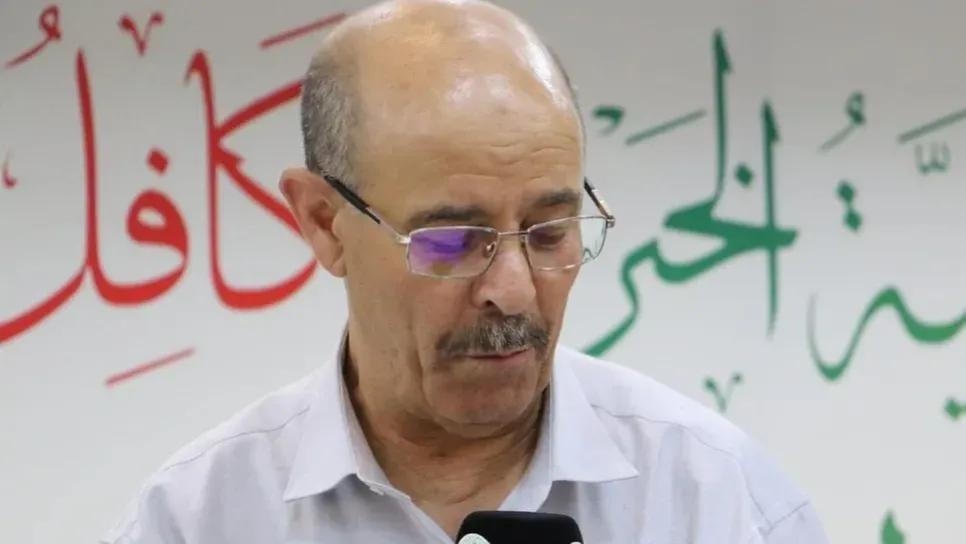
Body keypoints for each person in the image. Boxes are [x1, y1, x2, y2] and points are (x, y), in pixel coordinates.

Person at [102, 1, 829, 542]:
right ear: (324, 223)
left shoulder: (721, 503)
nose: (512, 290)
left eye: (549, 232)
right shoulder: (198, 520)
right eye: (453, 241)